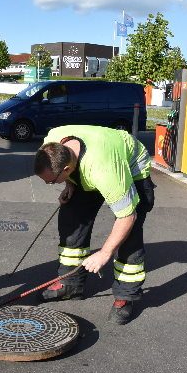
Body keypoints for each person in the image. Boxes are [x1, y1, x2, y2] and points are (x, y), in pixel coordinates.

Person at [33, 125, 155, 325]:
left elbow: (127, 217)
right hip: (86, 166)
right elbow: (65, 164)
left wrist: (104, 253)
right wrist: (69, 183)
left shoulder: (105, 171)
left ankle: (125, 295)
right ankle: (71, 283)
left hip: (130, 170)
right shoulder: (51, 141)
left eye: (51, 181)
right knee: (71, 219)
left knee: (129, 236)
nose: (49, 185)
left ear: (66, 169)